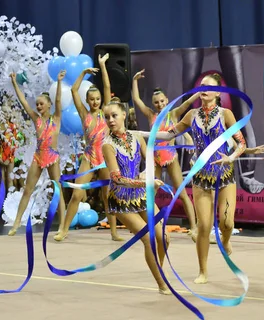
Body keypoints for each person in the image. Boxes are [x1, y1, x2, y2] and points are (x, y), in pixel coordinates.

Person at [143, 73, 247, 284]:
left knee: (226, 222)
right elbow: (168, 135)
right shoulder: (191, 115)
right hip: (201, 177)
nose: (203, 88)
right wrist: (138, 133)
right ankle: (203, 271)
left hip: (224, 175)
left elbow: (241, 143)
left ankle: (225, 241)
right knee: (204, 226)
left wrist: (231, 157)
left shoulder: (226, 115)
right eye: (201, 85)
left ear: (218, 93)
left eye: (208, 86)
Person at [101, 100, 171, 294]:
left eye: (114, 115)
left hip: (139, 195)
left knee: (164, 237)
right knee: (149, 239)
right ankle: (161, 282)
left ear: (124, 115)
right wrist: (145, 182)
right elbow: (118, 178)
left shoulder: (137, 136)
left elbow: (150, 161)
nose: (110, 120)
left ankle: (158, 268)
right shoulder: (107, 145)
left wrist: (146, 173)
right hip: (121, 199)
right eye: (107, 117)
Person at [55, 54, 122, 242]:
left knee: (108, 197)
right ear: (87, 100)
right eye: (91, 99)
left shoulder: (106, 114)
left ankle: (114, 232)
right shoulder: (85, 114)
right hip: (90, 157)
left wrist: (102, 66)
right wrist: (83, 72)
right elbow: (74, 90)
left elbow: (107, 87)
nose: (95, 102)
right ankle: (64, 229)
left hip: (105, 159)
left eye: (97, 98)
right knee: (77, 194)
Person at [132, 69, 199, 240]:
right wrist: (134, 80)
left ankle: (194, 226)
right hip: (154, 159)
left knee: (181, 193)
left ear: (167, 100)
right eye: (156, 102)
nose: (160, 104)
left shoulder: (174, 114)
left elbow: (187, 103)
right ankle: (151, 225)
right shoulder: (151, 115)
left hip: (170, 158)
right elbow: (137, 100)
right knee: (150, 193)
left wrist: (199, 91)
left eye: (162, 101)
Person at [7, 71, 66, 236]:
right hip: (38, 157)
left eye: (41, 104)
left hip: (52, 157)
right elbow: (23, 101)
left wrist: (59, 82)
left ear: (49, 105)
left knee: (57, 190)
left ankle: (62, 225)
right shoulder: (36, 119)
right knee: (27, 189)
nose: (38, 107)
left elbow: (59, 100)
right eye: (37, 104)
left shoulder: (56, 118)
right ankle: (17, 220)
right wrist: (14, 83)